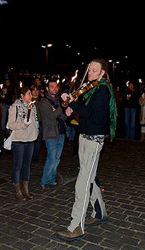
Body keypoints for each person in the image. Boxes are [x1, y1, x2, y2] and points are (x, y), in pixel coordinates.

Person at [58, 58, 117, 241]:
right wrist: (71, 108)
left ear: (102, 73)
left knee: (82, 181)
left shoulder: (102, 90)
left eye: (94, 70)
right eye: (89, 70)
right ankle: (100, 212)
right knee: (89, 177)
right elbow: (83, 109)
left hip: (93, 140)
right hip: (84, 137)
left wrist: (72, 104)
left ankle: (76, 226)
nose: (90, 73)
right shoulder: (91, 89)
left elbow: (90, 113)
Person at [7, 86, 39, 200]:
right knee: (18, 166)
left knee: (27, 166)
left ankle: (26, 189)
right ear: (22, 96)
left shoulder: (33, 106)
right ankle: (18, 191)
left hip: (30, 139)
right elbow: (10, 124)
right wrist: (23, 125)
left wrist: (36, 131)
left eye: (31, 94)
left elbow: (35, 121)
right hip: (19, 140)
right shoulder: (15, 107)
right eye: (29, 94)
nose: (31, 96)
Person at [39, 81, 67, 190]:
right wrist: (61, 107)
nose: (54, 88)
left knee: (56, 158)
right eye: (52, 86)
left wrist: (66, 112)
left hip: (61, 132)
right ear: (47, 88)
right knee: (51, 158)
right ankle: (45, 181)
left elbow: (62, 117)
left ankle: (51, 178)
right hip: (51, 133)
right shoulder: (44, 102)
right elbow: (51, 116)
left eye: (56, 86)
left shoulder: (58, 100)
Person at [30, 85, 43, 162]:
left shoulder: (41, 101)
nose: (35, 92)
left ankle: (35, 156)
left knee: (38, 140)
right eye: (33, 90)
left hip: (39, 123)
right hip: (31, 123)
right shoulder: (28, 100)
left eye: (36, 90)